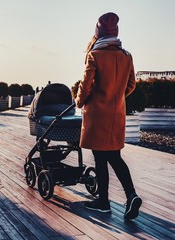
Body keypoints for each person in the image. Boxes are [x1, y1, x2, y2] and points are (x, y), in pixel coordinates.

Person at [75, 12, 142, 220]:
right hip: (116, 115)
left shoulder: (95, 55)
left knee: (100, 157)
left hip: (97, 114)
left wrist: (79, 101)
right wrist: (116, 98)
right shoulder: (126, 55)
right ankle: (130, 195)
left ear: (98, 32)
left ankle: (103, 202)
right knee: (114, 156)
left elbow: (85, 86)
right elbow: (131, 85)